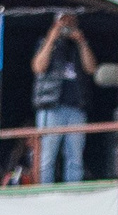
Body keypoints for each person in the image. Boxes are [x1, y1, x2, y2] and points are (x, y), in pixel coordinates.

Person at [30, 12, 97, 185]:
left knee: (75, 156)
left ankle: (73, 190)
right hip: (51, 106)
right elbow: (38, 67)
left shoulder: (80, 45)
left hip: (76, 107)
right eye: (63, 22)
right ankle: (44, 191)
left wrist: (82, 42)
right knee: (47, 156)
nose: (67, 26)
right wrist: (51, 38)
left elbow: (91, 69)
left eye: (71, 22)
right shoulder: (45, 43)